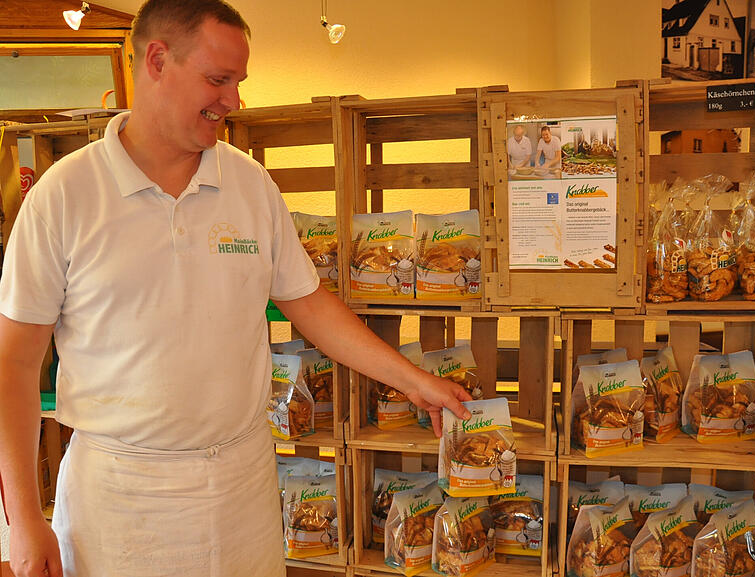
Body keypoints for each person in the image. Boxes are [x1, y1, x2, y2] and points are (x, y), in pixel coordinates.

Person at [0, 2, 471, 576]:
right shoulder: (63, 196)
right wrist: (23, 519)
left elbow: (308, 303)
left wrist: (415, 381)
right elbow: (15, 365)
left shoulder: (249, 184)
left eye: (238, 82)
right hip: (121, 495)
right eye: (217, 79)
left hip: (242, 484)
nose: (234, 100)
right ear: (156, 60)